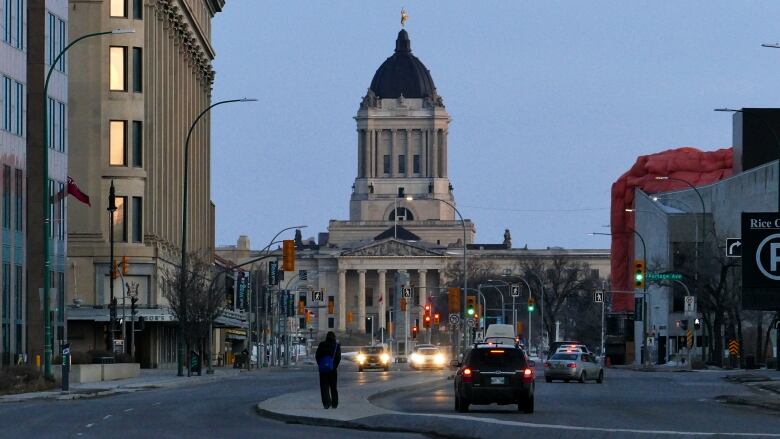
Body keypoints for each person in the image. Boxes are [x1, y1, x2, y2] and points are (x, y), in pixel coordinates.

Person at [315, 331, 341, 409]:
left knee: (324, 387)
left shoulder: (322, 344)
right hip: (332, 369)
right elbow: (338, 358)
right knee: (333, 387)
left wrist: (320, 364)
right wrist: (334, 366)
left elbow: (317, 356)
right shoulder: (336, 346)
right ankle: (334, 403)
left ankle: (326, 403)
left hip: (323, 369)